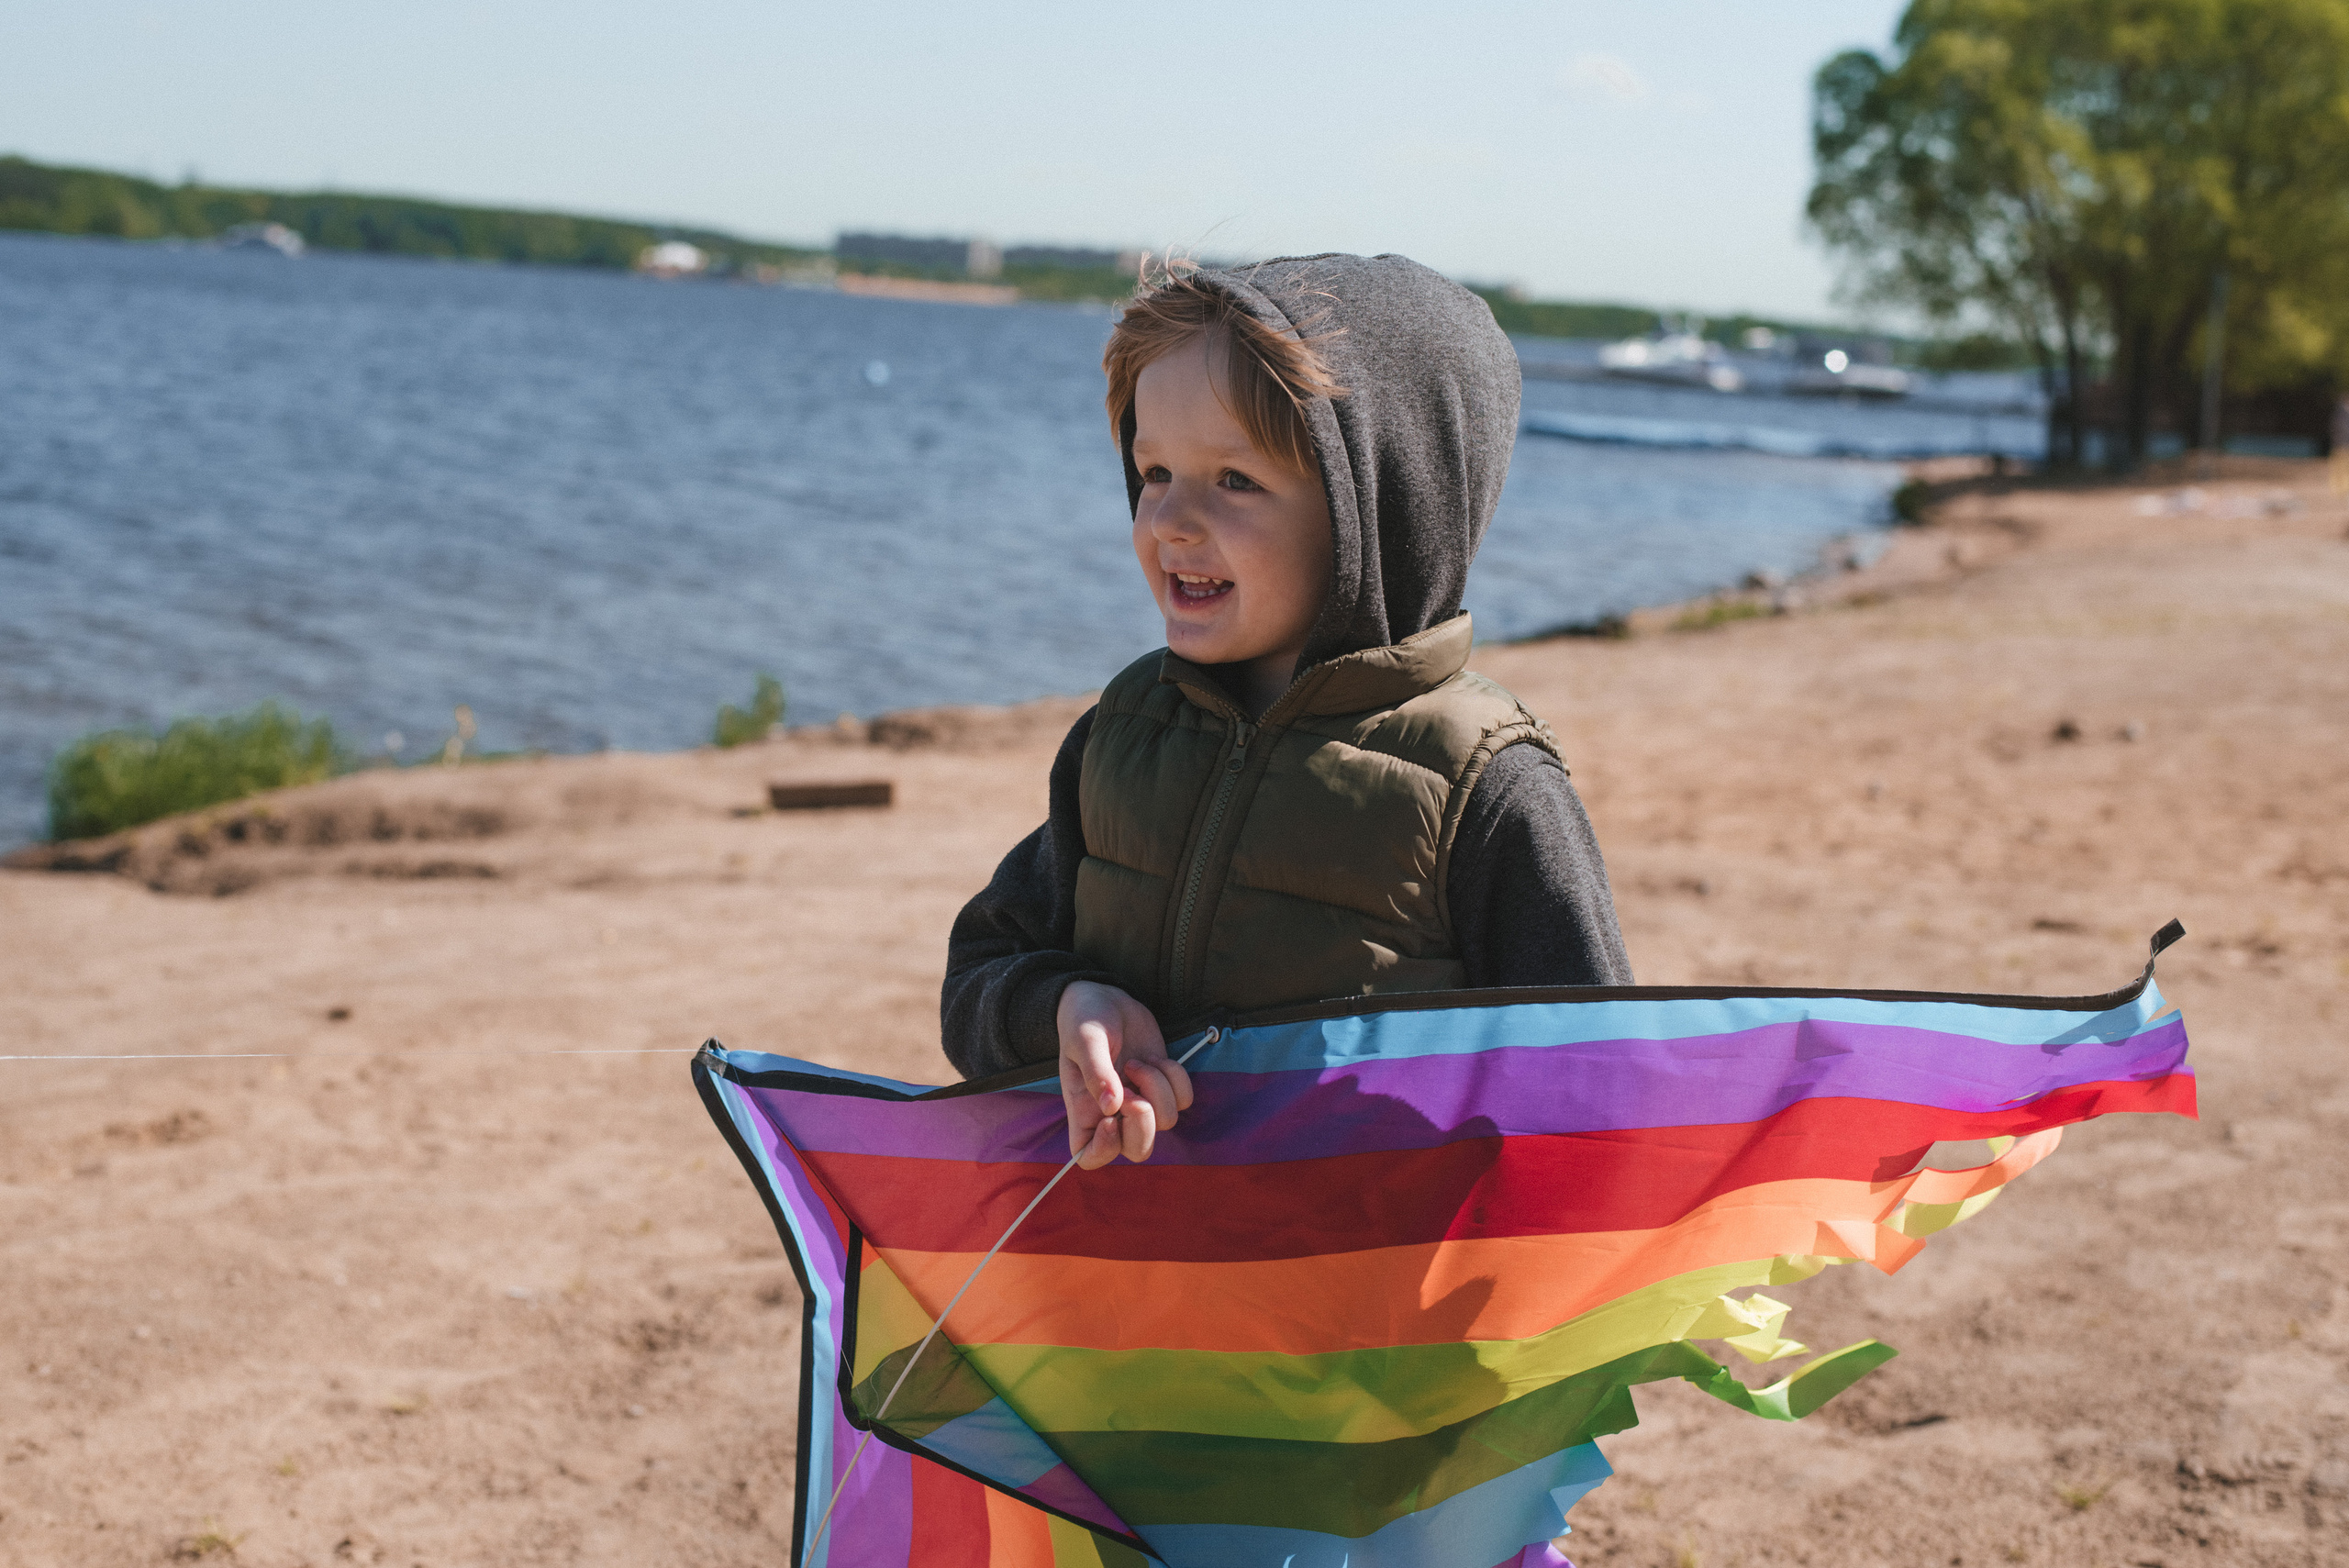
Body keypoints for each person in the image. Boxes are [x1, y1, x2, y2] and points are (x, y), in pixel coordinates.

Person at [941, 254, 1631, 1167]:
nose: (1170, 521)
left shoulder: (1484, 785)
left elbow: (1602, 1092)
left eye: (1234, 480)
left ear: (1375, 512)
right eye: (1152, 471)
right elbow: (979, 978)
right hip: (1129, 1282)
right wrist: (1066, 1007)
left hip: (1374, 1294)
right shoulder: (1123, 734)